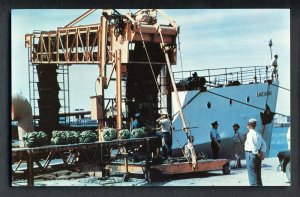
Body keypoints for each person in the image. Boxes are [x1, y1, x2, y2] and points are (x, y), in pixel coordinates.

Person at [244, 118, 267, 186]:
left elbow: (252, 146)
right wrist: (261, 153)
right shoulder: (258, 134)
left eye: (248, 124)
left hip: (250, 155)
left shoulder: (249, 134)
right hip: (258, 155)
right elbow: (264, 144)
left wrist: (258, 153)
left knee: (252, 175)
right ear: (255, 125)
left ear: (249, 125)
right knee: (258, 174)